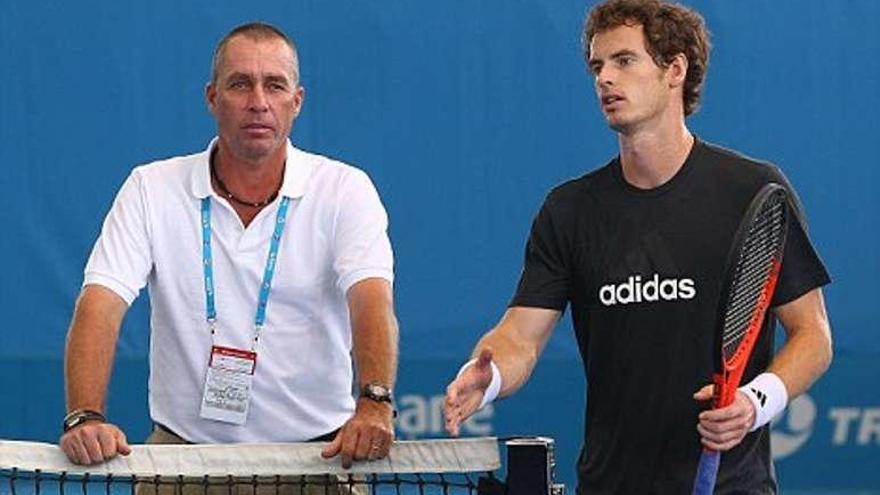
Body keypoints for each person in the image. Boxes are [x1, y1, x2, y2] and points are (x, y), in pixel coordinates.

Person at [443, 0, 832, 493]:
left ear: (675, 69)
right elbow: (520, 336)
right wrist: (490, 375)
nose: (604, 78)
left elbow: (813, 335)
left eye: (624, 61)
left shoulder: (752, 189)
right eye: (597, 65)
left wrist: (755, 402)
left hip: (733, 485)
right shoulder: (569, 210)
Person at [58, 21, 399, 485]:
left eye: (274, 85)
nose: (258, 101)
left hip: (319, 458)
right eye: (240, 84)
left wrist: (375, 403)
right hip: (182, 461)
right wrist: (84, 415)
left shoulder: (344, 190)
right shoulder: (150, 188)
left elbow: (371, 299)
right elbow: (100, 303)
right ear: (212, 98)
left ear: (296, 102)